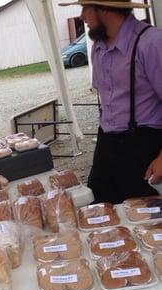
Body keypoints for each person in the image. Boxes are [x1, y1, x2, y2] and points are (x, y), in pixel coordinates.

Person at [60, 0, 162, 204]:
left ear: (105, 9)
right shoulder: (98, 47)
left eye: (86, 8)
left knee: (148, 225)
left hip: (143, 151)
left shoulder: (151, 43)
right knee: (100, 216)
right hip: (106, 148)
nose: (82, 17)